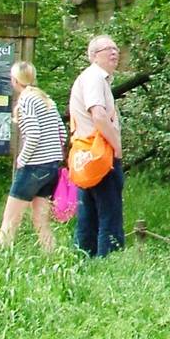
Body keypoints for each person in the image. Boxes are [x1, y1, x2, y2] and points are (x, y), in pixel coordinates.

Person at [0, 61, 66, 251]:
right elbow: (62, 132)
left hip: (33, 167)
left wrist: (22, 159)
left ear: (14, 80)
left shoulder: (26, 100)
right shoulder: (46, 100)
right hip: (51, 166)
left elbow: (34, 133)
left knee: (10, 219)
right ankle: (52, 256)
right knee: (40, 220)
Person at [69, 34, 124, 257]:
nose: (114, 52)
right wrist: (117, 146)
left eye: (116, 48)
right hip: (99, 156)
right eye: (107, 49)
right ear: (93, 56)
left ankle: (84, 260)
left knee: (89, 216)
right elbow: (99, 116)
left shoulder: (94, 78)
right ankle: (109, 264)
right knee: (109, 215)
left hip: (87, 156)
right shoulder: (94, 78)